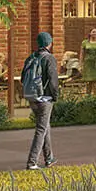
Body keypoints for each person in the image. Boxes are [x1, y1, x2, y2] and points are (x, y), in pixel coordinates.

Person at [21, 32, 61, 169]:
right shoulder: (49, 58)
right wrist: (55, 96)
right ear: (49, 43)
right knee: (41, 129)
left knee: (45, 127)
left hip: (33, 98)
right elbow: (53, 80)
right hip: (45, 98)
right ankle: (32, 162)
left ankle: (49, 158)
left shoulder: (31, 58)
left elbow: (22, 78)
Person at [80, 27, 96, 94]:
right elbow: (82, 54)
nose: (95, 33)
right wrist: (81, 64)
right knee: (88, 81)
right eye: (93, 32)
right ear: (90, 33)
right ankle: (88, 96)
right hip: (88, 63)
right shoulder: (85, 42)